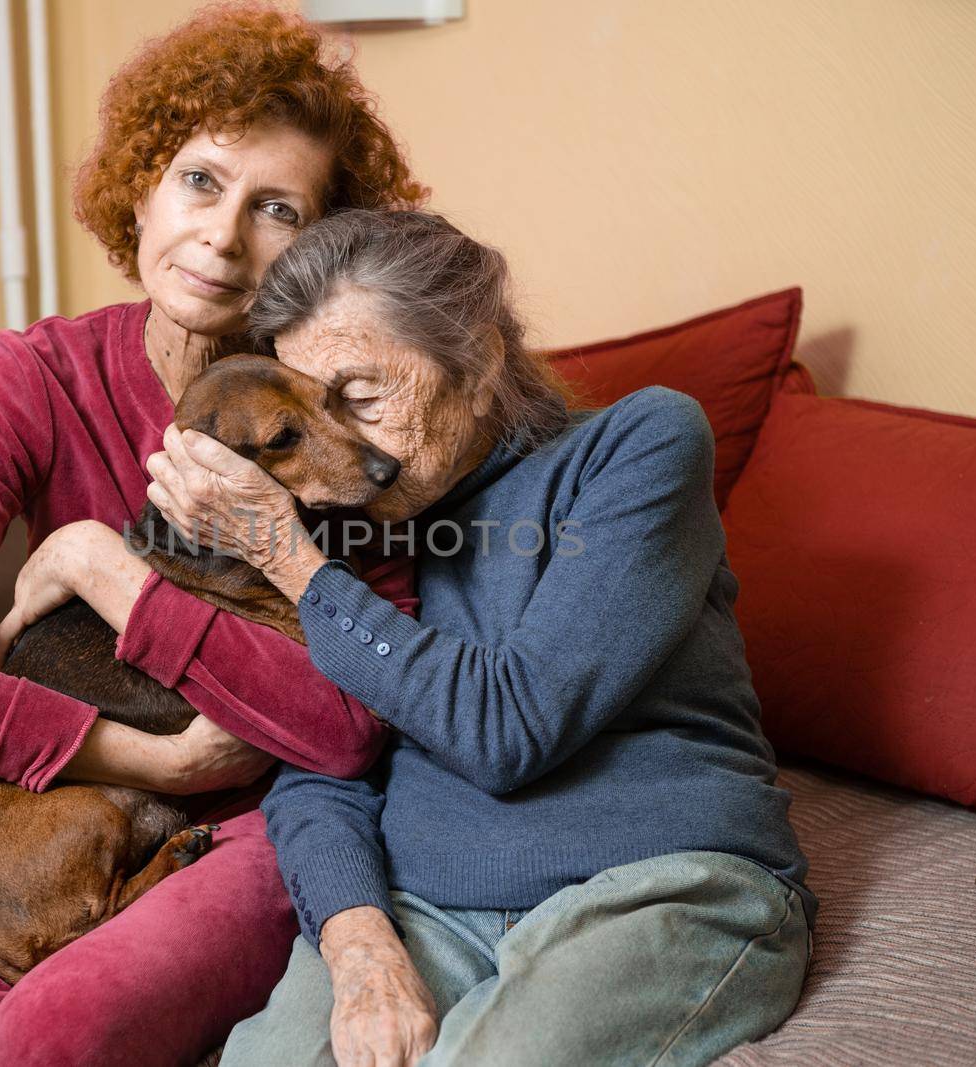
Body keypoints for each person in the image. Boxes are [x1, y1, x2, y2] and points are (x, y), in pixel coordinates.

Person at [0, 6, 427, 1065]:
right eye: (200, 180)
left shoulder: (346, 406)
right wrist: (151, 755)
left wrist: (107, 571)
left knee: (53, 1028)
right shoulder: (37, 377)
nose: (221, 233)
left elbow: (350, 725)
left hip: (279, 810)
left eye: (276, 208)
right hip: (79, 787)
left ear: (321, 246)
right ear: (144, 184)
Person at [144, 208, 817, 1067]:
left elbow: (510, 725)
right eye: (311, 413)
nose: (345, 451)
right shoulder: (349, 522)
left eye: (358, 398)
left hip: (664, 883)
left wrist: (289, 559)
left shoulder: (639, 446)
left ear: (478, 359)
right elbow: (318, 763)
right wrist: (358, 944)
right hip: (426, 903)